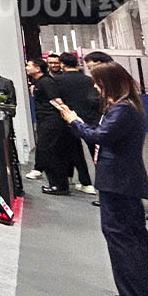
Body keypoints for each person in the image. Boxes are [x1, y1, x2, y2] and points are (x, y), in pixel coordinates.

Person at [56, 62, 148, 296]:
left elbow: (100, 136)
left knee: (122, 239)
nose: (95, 88)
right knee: (133, 238)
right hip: (122, 181)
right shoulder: (126, 107)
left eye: (98, 83)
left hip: (117, 182)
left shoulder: (122, 110)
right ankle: (146, 295)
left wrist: (74, 121)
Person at [84, 51, 148, 222]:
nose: (91, 72)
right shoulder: (117, 91)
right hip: (113, 132)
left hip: (119, 137)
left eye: (93, 67)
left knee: (134, 174)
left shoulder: (121, 101)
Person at [27, 58, 78, 194]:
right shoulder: (38, 82)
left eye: (29, 65)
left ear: (37, 68)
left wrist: (68, 115)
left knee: (50, 152)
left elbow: (56, 100)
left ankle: (59, 185)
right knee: (47, 151)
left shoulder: (46, 82)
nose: (26, 68)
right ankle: (56, 184)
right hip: (45, 120)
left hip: (52, 121)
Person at [56, 52, 99, 195]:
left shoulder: (58, 80)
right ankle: (102, 184)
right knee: (97, 153)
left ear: (62, 64)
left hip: (70, 119)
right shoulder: (89, 79)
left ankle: (86, 182)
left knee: (76, 153)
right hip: (91, 119)